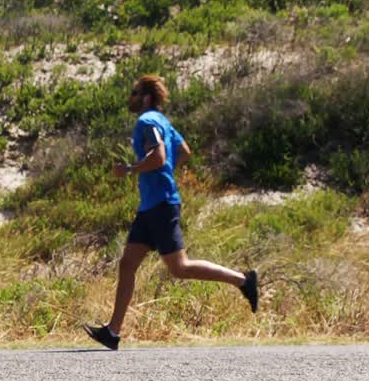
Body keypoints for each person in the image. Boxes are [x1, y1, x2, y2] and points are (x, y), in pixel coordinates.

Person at [83, 74, 258, 351]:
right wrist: (163, 173)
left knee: (180, 267)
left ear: (147, 98)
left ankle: (243, 280)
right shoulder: (163, 122)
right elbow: (184, 151)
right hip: (152, 205)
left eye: (135, 92)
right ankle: (112, 332)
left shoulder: (147, 121)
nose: (131, 97)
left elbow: (161, 156)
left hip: (161, 204)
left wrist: (130, 170)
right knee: (128, 264)